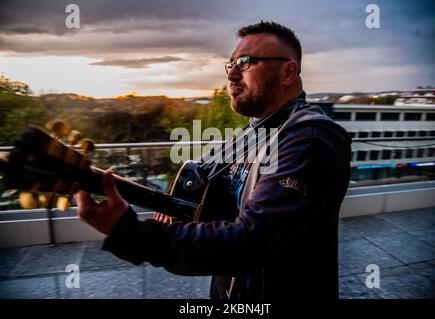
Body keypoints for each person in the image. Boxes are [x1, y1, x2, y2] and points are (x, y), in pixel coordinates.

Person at [76, 21, 352, 299]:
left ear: (288, 72)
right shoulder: (255, 132)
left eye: (245, 62)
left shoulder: (311, 139)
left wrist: (130, 233)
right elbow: (205, 197)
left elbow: (251, 243)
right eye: (230, 63)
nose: (231, 75)